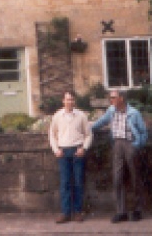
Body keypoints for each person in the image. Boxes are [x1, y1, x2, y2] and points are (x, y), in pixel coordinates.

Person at [91, 89, 148, 223]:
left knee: (135, 177)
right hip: (117, 145)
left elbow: (143, 132)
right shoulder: (111, 111)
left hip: (130, 144)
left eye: (113, 97)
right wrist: (86, 129)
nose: (111, 100)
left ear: (121, 98)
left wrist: (136, 146)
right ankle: (121, 211)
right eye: (110, 97)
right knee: (117, 178)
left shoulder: (134, 113)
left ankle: (137, 210)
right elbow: (100, 122)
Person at [49, 91, 92, 223]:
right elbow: (52, 134)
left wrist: (83, 148)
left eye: (72, 100)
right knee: (65, 183)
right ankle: (66, 213)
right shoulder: (57, 116)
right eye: (67, 100)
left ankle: (77, 212)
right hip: (63, 152)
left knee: (78, 182)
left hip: (77, 151)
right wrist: (56, 150)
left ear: (75, 101)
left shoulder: (81, 116)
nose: (70, 102)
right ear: (63, 101)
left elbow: (89, 134)